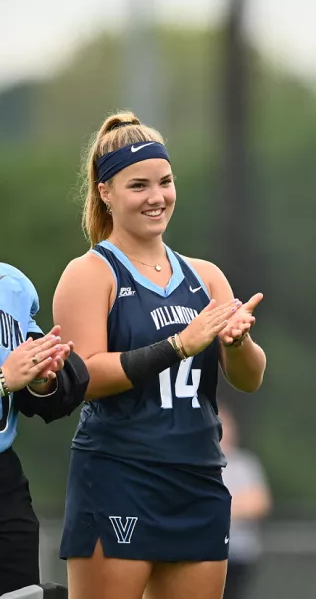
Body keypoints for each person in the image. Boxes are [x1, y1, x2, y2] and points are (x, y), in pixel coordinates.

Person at [52, 112, 268, 599]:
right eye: (139, 185)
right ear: (106, 192)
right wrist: (177, 346)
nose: (157, 197)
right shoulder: (91, 273)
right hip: (120, 476)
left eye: (165, 182)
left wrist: (238, 343)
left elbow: (249, 378)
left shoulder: (205, 276)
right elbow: (84, 376)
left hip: (198, 479)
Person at [0, 266, 89, 594]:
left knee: (22, 592)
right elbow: (8, 377)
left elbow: (49, 393)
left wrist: (43, 378)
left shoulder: (11, 285)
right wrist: (3, 380)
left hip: (5, 483)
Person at [218, 403, 271, 599]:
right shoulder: (193, 463)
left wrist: (216, 509)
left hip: (238, 554)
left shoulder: (245, 464)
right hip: (202, 554)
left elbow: (258, 503)